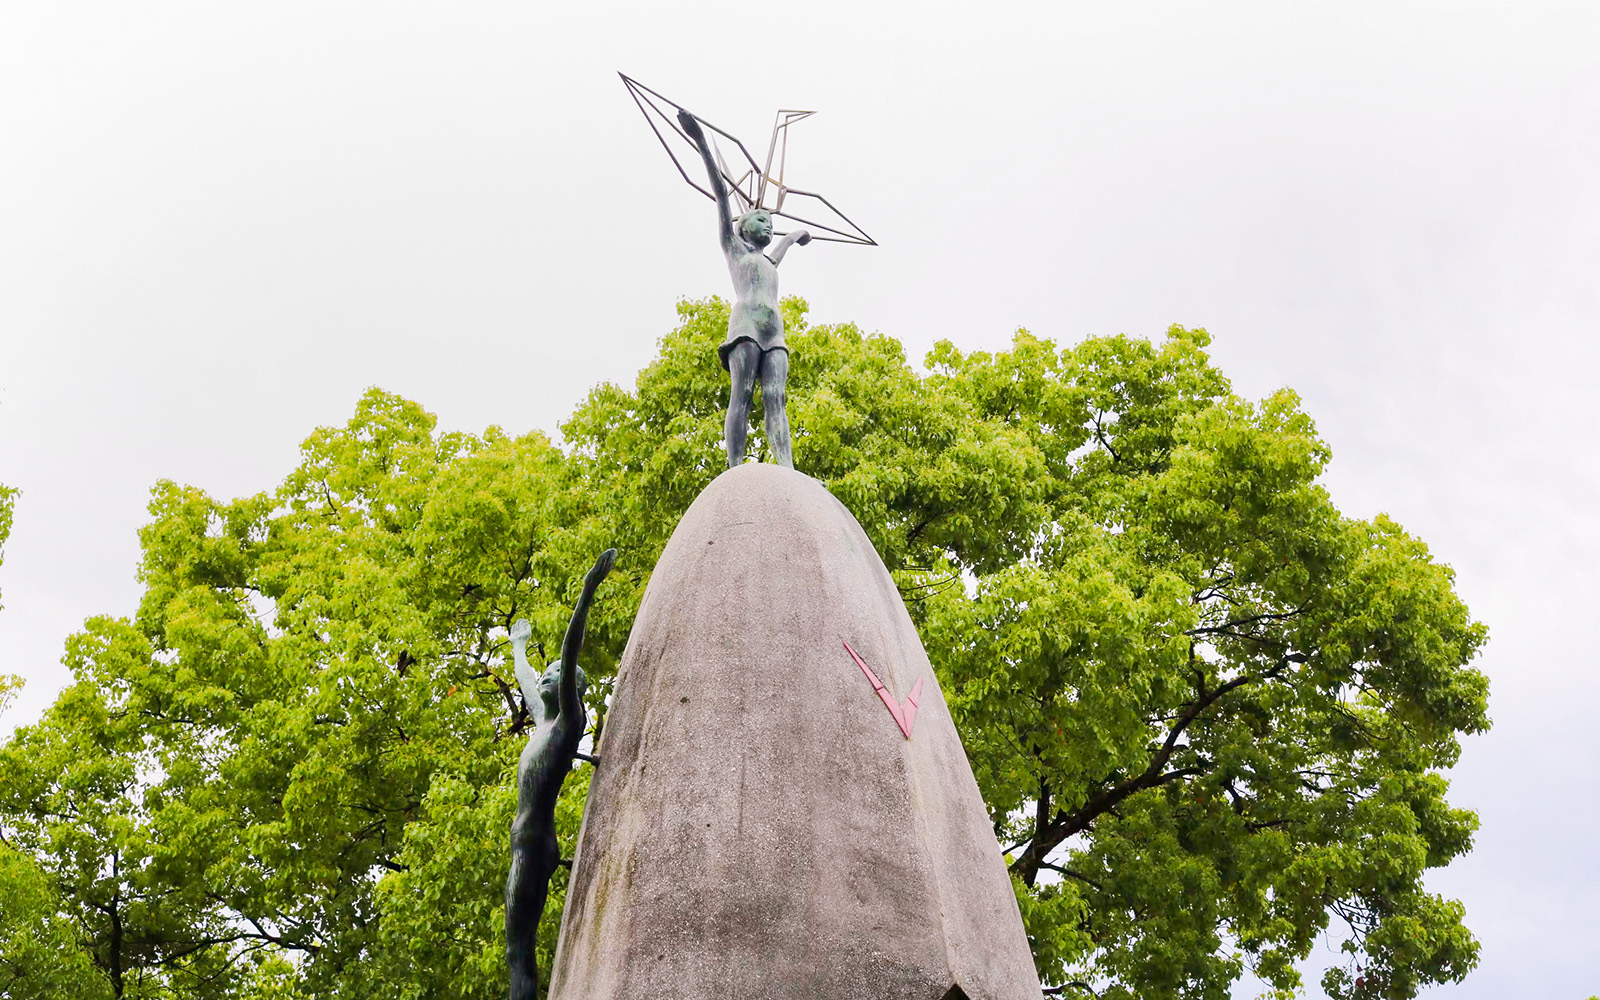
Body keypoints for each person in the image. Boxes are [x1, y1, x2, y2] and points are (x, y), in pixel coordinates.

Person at [505, 548, 615, 1000]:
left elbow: (569, 653)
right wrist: (518, 645)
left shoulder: (567, 723)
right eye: (547, 673)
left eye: (558, 675)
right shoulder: (542, 721)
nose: (549, 676)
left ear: (572, 690)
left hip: (533, 845)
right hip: (525, 845)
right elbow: (527, 681)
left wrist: (587, 590)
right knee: (516, 951)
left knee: (519, 954)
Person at [678, 109, 811, 469]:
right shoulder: (734, 248)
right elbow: (722, 194)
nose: (769, 227)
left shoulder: (768, 261)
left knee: (776, 397)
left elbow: (783, 248)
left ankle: (787, 469)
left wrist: (797, 236)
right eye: (761, 220)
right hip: (747, 325)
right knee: (743, 395)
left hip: (774, 329)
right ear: (743, 227)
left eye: (772, 224)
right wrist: (702, 142)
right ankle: (735, 468)